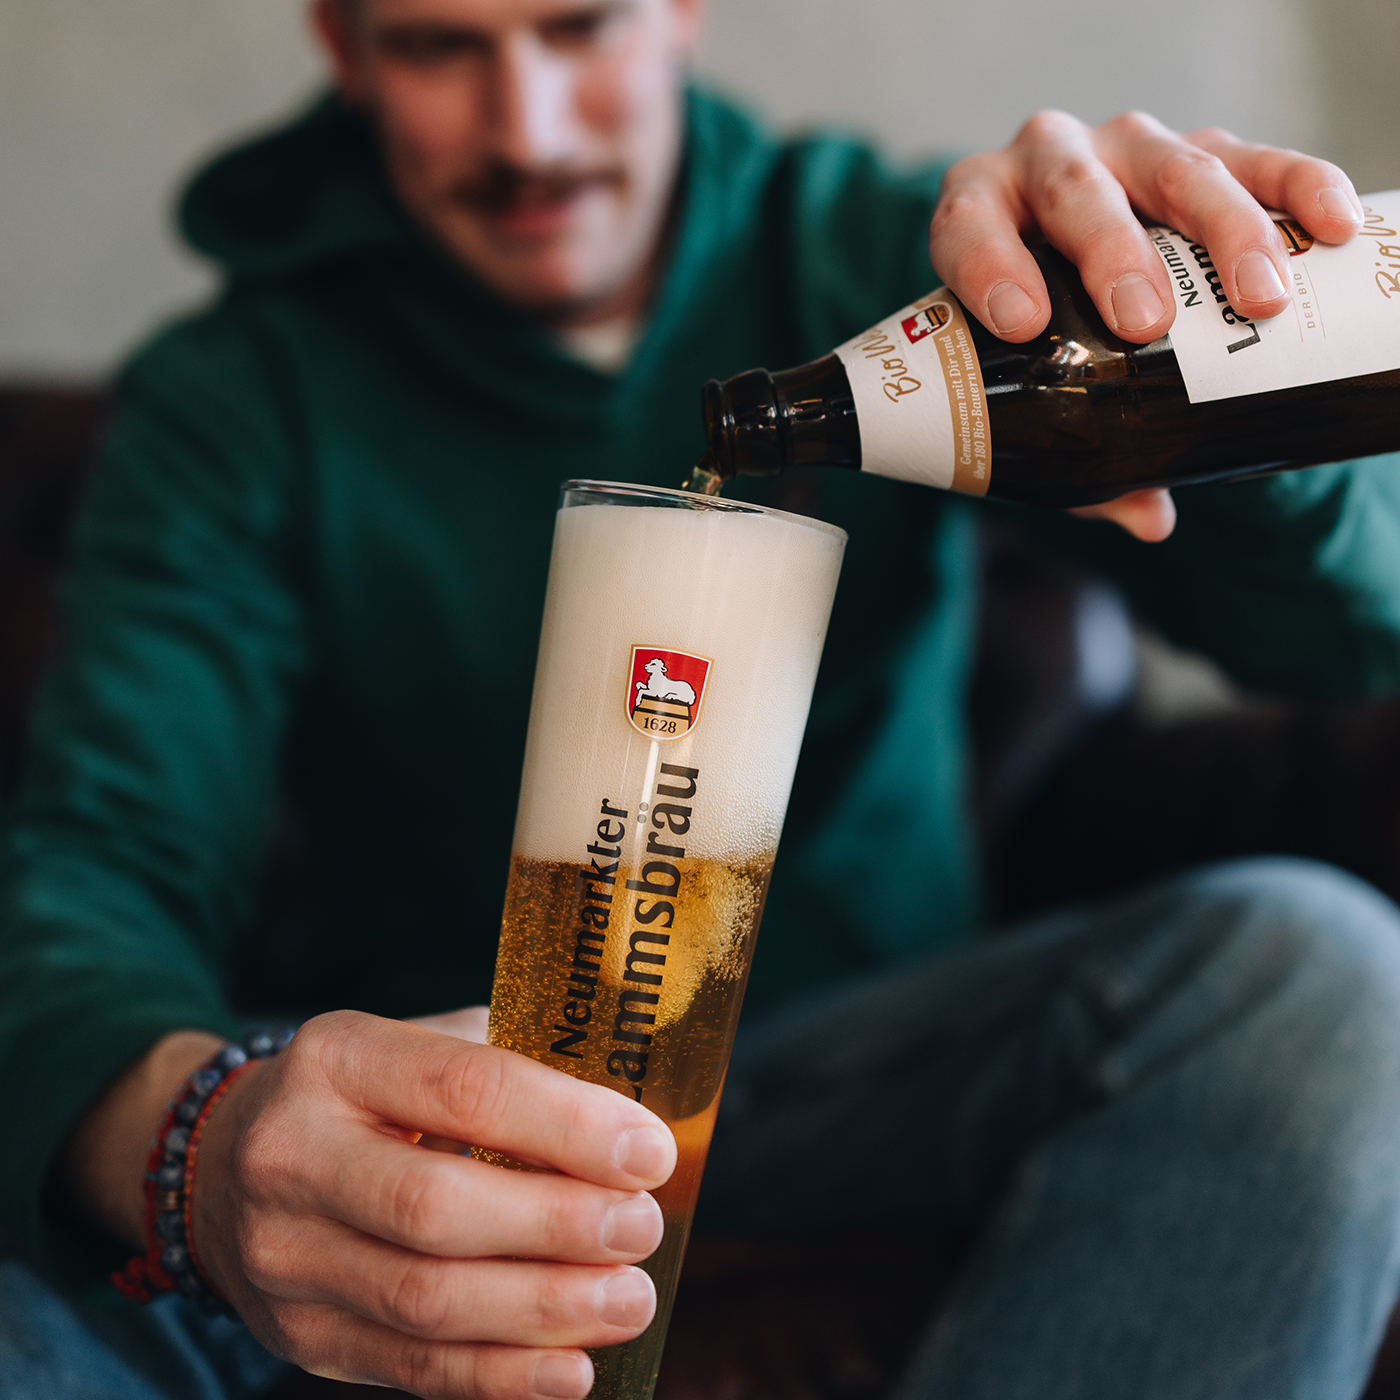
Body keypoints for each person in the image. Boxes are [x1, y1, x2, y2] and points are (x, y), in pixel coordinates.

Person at [4, 1, 1400, 1398]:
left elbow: (1348, 640)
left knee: (1320, 974)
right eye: (441, 46)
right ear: (342, 44)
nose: (527, 130)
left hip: (872, 1069)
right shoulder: (235, 399)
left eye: (578, 25)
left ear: (678, 8)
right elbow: (99, 858)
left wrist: (1228, 345)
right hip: (459, 1102)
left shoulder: (896, 260)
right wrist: (196, 1142)